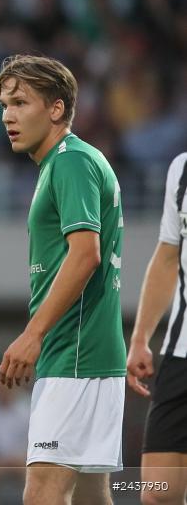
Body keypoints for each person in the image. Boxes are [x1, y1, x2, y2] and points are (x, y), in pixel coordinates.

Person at [0, 54, 126, 505]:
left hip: (75, 353)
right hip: (85, 353)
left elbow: (86, 254)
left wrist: (33, 334)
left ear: (56, 109)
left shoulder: (70, 161)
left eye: (19, 102)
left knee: (43, 494)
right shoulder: (66, 162)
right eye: (4, 105)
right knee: (91, 498)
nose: (7, 116)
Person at [126, 151, 187, 505]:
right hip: (180, 353)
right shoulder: (182, 169)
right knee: (158, 492)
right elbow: (167, 257)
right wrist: (140, 338)